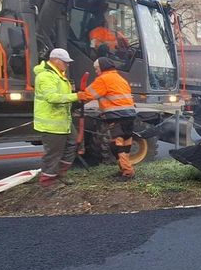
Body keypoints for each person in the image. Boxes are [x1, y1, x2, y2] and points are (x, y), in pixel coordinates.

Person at [33, 48, 89, 187]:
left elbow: (63, 98)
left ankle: (60, 173)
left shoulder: (59, 76)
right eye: (65, 62)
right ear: (56, 60)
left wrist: (76, 100)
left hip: (63, 121)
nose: (67, 65)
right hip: (52, 124)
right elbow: (51, 97)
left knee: (73, 144)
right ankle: (48, 181)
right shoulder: (46, 76)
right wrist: (76, 96)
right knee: (53, 153)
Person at [81, 57, 138, 181]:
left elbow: (87, 95)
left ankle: (128, 172)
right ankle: (124, 170)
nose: (96, 71)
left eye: (96, 69)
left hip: (117, 117)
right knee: (126, 144)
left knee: (116, 146)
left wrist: (74, 97)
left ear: (102, 67)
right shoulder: (120, 78)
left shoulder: (103, 79)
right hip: (129, 115)